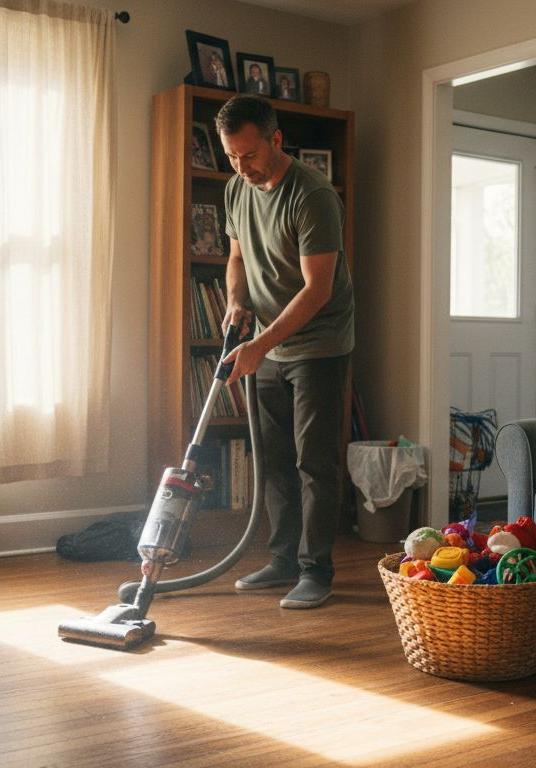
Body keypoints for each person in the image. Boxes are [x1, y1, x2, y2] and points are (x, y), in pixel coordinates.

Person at [215, 95, 354, 609]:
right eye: (232, 157)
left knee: (313, 461)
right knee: (273, 457)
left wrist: (260, 345)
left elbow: (318, 290)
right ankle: (282, 560)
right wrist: (235, 302)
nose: (241, 167)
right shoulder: (236, 189)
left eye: (249, 155)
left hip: (318, 342)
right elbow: (235, 257)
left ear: (275, 140)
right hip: (267, 341)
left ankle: (317, 570)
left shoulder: (313, 195)